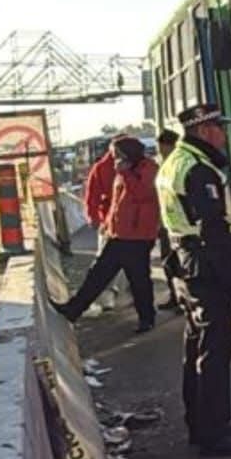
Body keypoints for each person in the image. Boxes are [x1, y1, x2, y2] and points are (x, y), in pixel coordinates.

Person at [157, 103, 231, 458]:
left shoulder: (173, 164)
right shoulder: (199, 170)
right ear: (203, 131)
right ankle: (217, 433)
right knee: (214, 353)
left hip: (185, 265)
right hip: (208, 268)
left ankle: (199, 426)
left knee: (196, 348)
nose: (224, 133)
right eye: (218, 127)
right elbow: (214, 232)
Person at [53, 136, 158, 331]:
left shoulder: (147, 169)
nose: (113, 158)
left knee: (138, 280)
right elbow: (116, 203)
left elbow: (143, 194)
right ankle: (73, 309)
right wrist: (108, 225)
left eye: (117, 154)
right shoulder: (115, 170)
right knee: (98, 274)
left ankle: (147, 318)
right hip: (119, 234)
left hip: (137, 236)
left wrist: (126, 174)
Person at [83, 137, 121, 309]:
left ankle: (115, 292)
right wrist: (94, 218)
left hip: (130, 226)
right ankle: (107, 295)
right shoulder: (101, 169)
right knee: (104, 262)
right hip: (109, 224)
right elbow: (92, 197)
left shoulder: (139, 166)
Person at [156, 129, 181, 311]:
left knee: (178, 264)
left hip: (180, 226)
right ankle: (175, 296)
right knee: (169, 263)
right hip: (167, 224)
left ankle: (183, 298)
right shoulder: (162, 165)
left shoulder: (178, 165)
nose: (160, 151)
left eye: (162, 147)